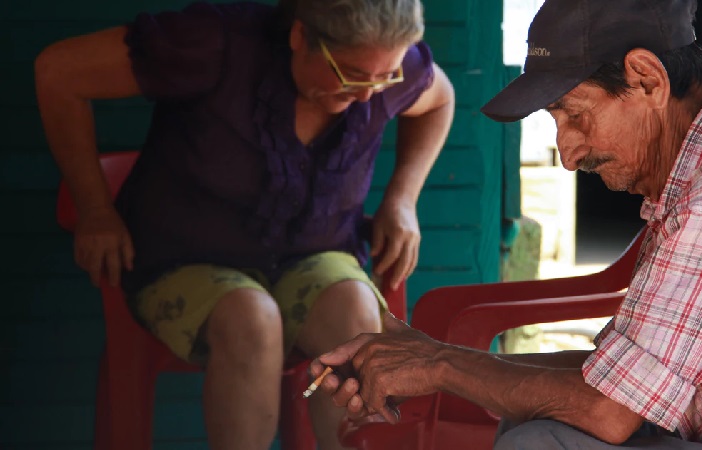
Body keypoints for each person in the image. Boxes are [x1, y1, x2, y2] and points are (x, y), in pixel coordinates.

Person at [309, 0, 702, 448]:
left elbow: (608, 410)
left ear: (647, 79)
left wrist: (438, 366)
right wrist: (426, 354)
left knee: (541, 443)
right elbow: (620, 376)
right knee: (533, 418)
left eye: (575, 116)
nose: (568, 152)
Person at [33, 0, 454, 448]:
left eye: (385, 76)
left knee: (354, 315)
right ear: (299, 38)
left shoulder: (383, 65)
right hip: (187, 258)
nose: (369, 94)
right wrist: (96, 209)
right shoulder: (215, 44)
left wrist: (402, 200)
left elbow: (439, 99)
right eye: (349, 73)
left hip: (316, 252)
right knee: (251, 319)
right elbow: (58, 70)